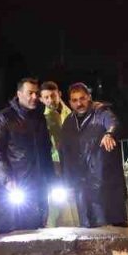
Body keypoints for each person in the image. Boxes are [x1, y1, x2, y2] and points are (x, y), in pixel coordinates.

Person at [58, 83, 128, 228]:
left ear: (89, 97)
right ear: (70, 103)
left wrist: (109, 134)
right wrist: (67, 182)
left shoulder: (101, 113)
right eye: (75, 100)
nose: (79, 103)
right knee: (88, 227)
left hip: (105, 182)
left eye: (82, 98)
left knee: (112, 226)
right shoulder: (68, 123)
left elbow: (114, 124)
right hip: (81, 186)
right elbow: (65, 154)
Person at [0, 78, 52, 233]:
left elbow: (45, 150)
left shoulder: (39, 118)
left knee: (37, 234)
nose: (34, 97)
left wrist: (51, 178)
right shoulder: (3, 118)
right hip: (15, 186)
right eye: (30, 93)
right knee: (11, 234)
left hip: (37, 187)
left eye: (36, 93)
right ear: (19, 94)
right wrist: (7, 180)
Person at [39, 81, 79, 227]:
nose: (50, 100)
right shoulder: (42, 120)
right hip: (56, 165)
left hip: (73, 164)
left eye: (53, 96)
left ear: (59, 94)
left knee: (73, 199)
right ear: (41, 99)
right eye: (46, 97)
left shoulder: (71, 113)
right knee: (56, 201)